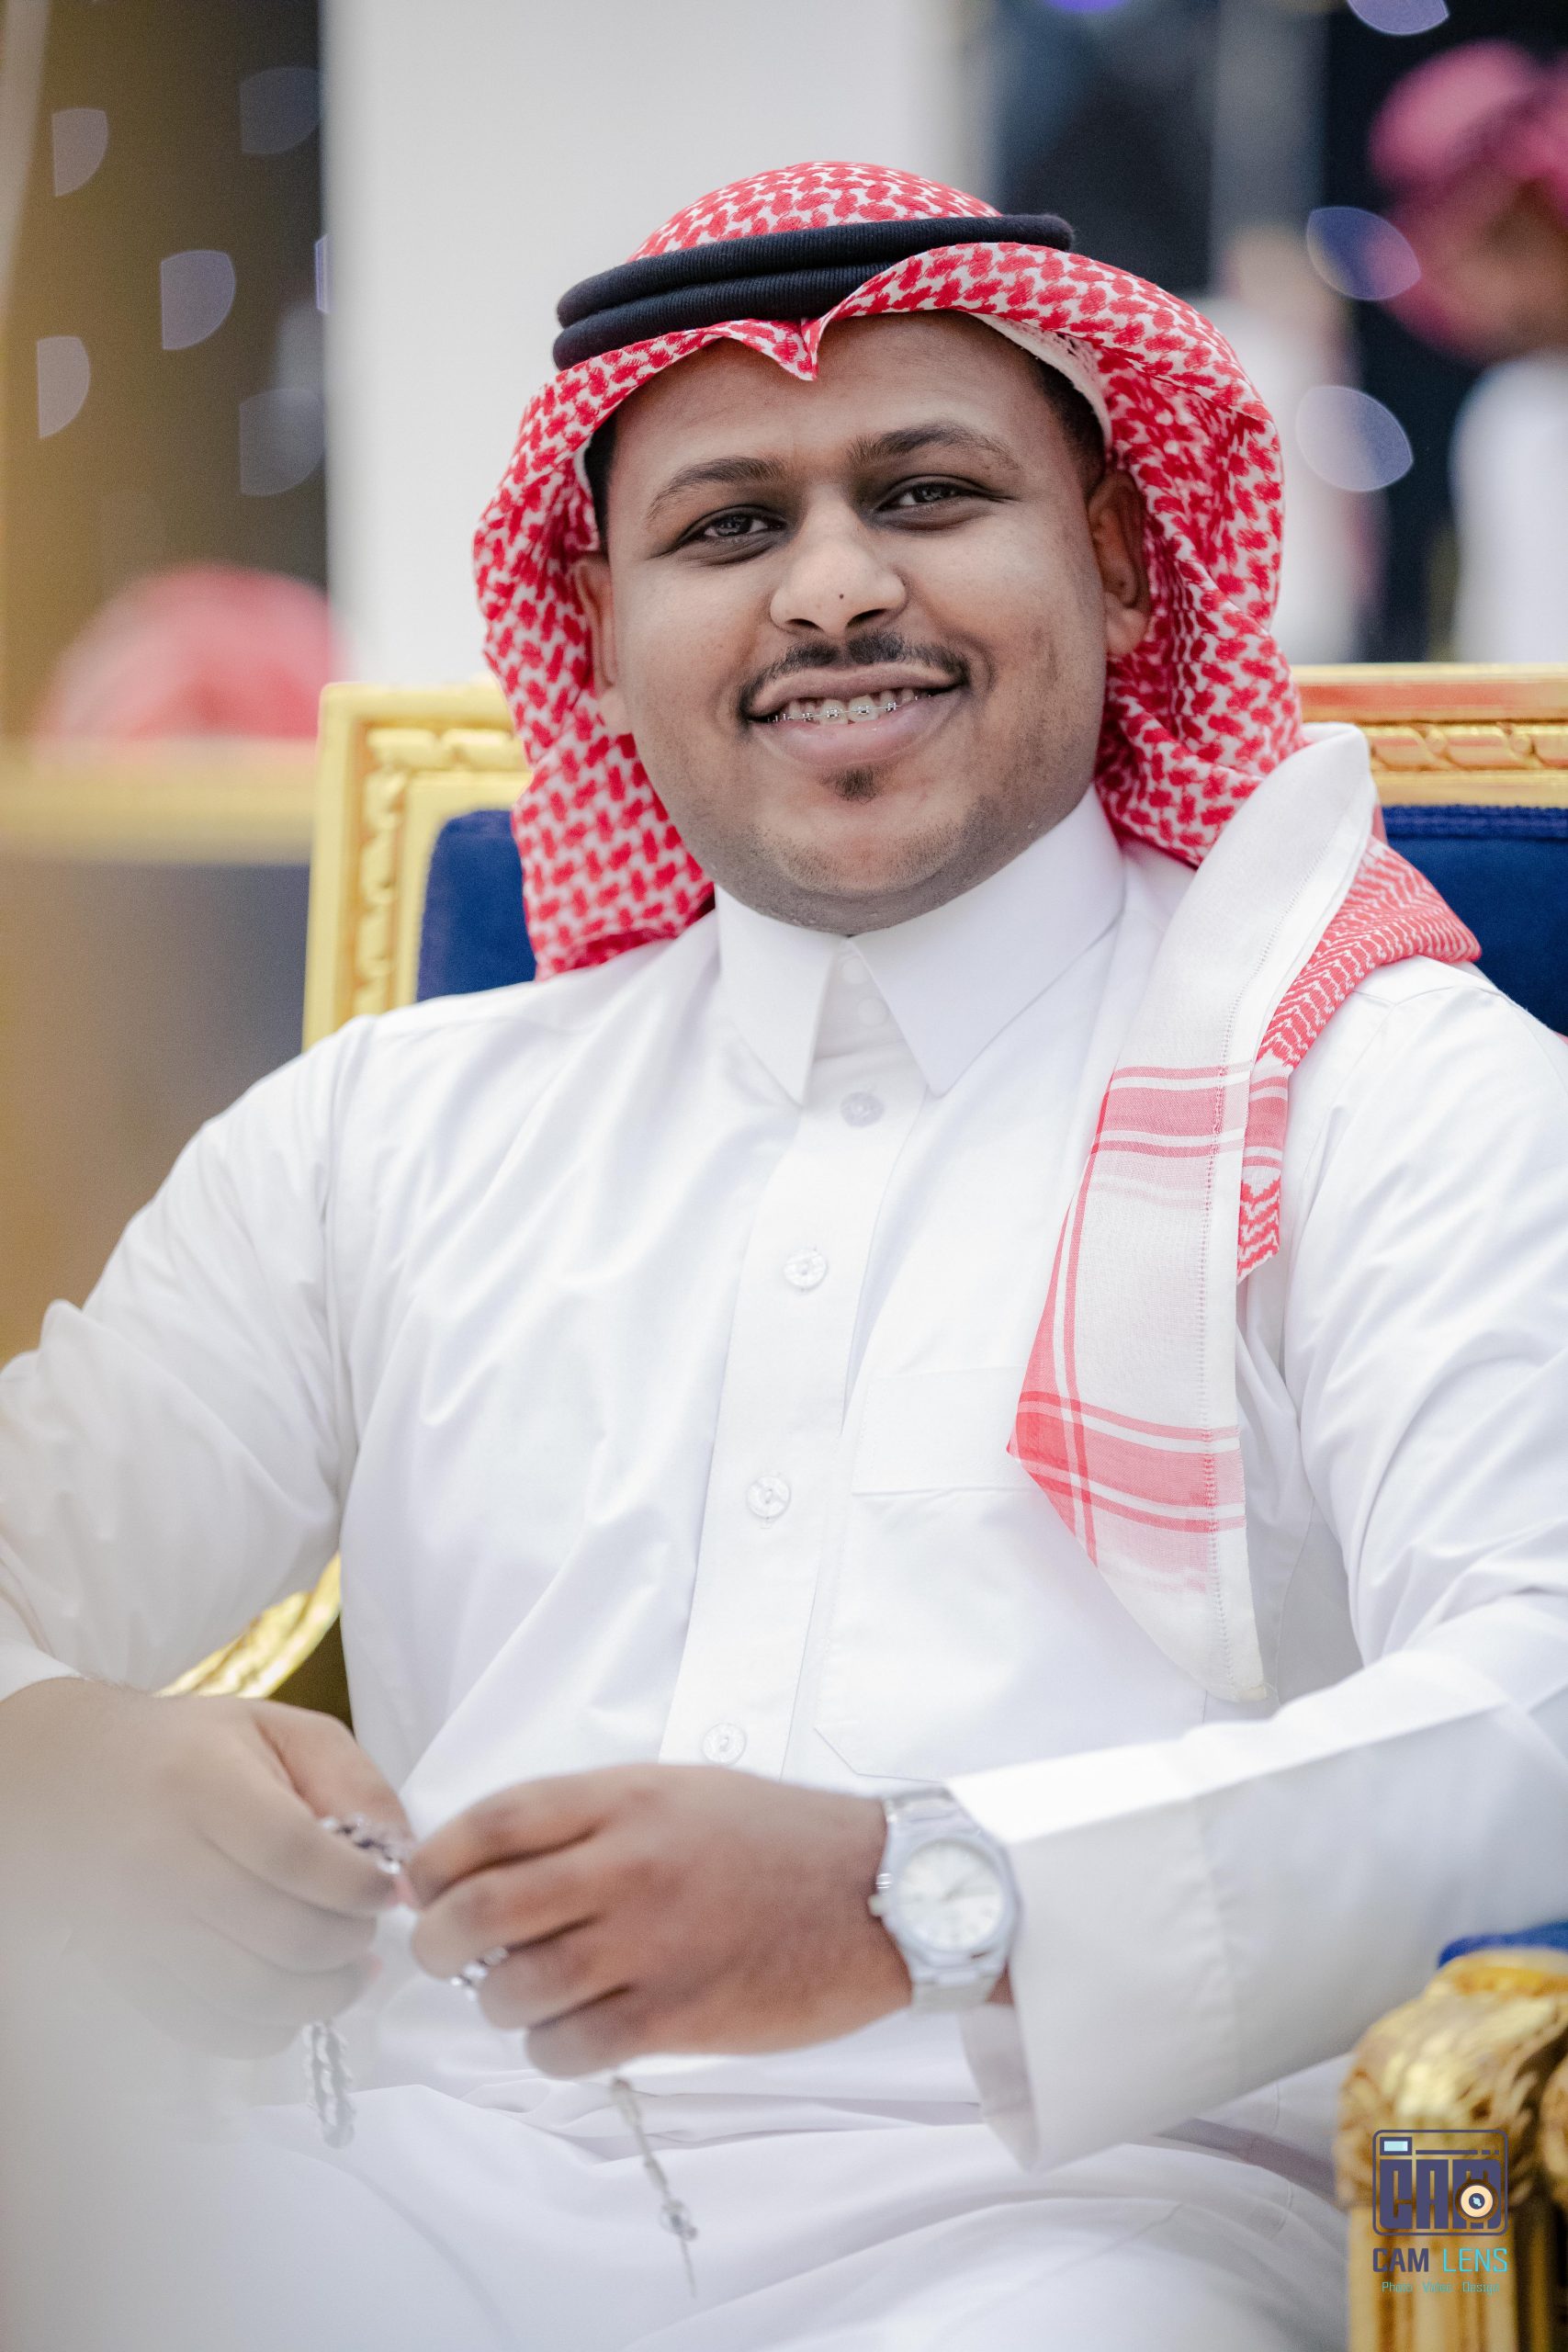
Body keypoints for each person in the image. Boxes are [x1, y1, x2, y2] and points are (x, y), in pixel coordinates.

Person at [3, 161, 1568, 2352]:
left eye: (926, 493)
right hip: (405, 2176)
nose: (832, 589)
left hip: (1081, 2222)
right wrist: (54, 1762)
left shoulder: (1376, 1087)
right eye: (729, 524)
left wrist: (915, 1888)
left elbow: (1532, 1694)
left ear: (1122, 556)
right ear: (597, 622)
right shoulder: (390, 1130)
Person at [1371, 43, 1568, 661]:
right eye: (1460, 263)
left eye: (1512, 245)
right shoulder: (1512, 416)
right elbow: (1507, 657)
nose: (1494, 292)